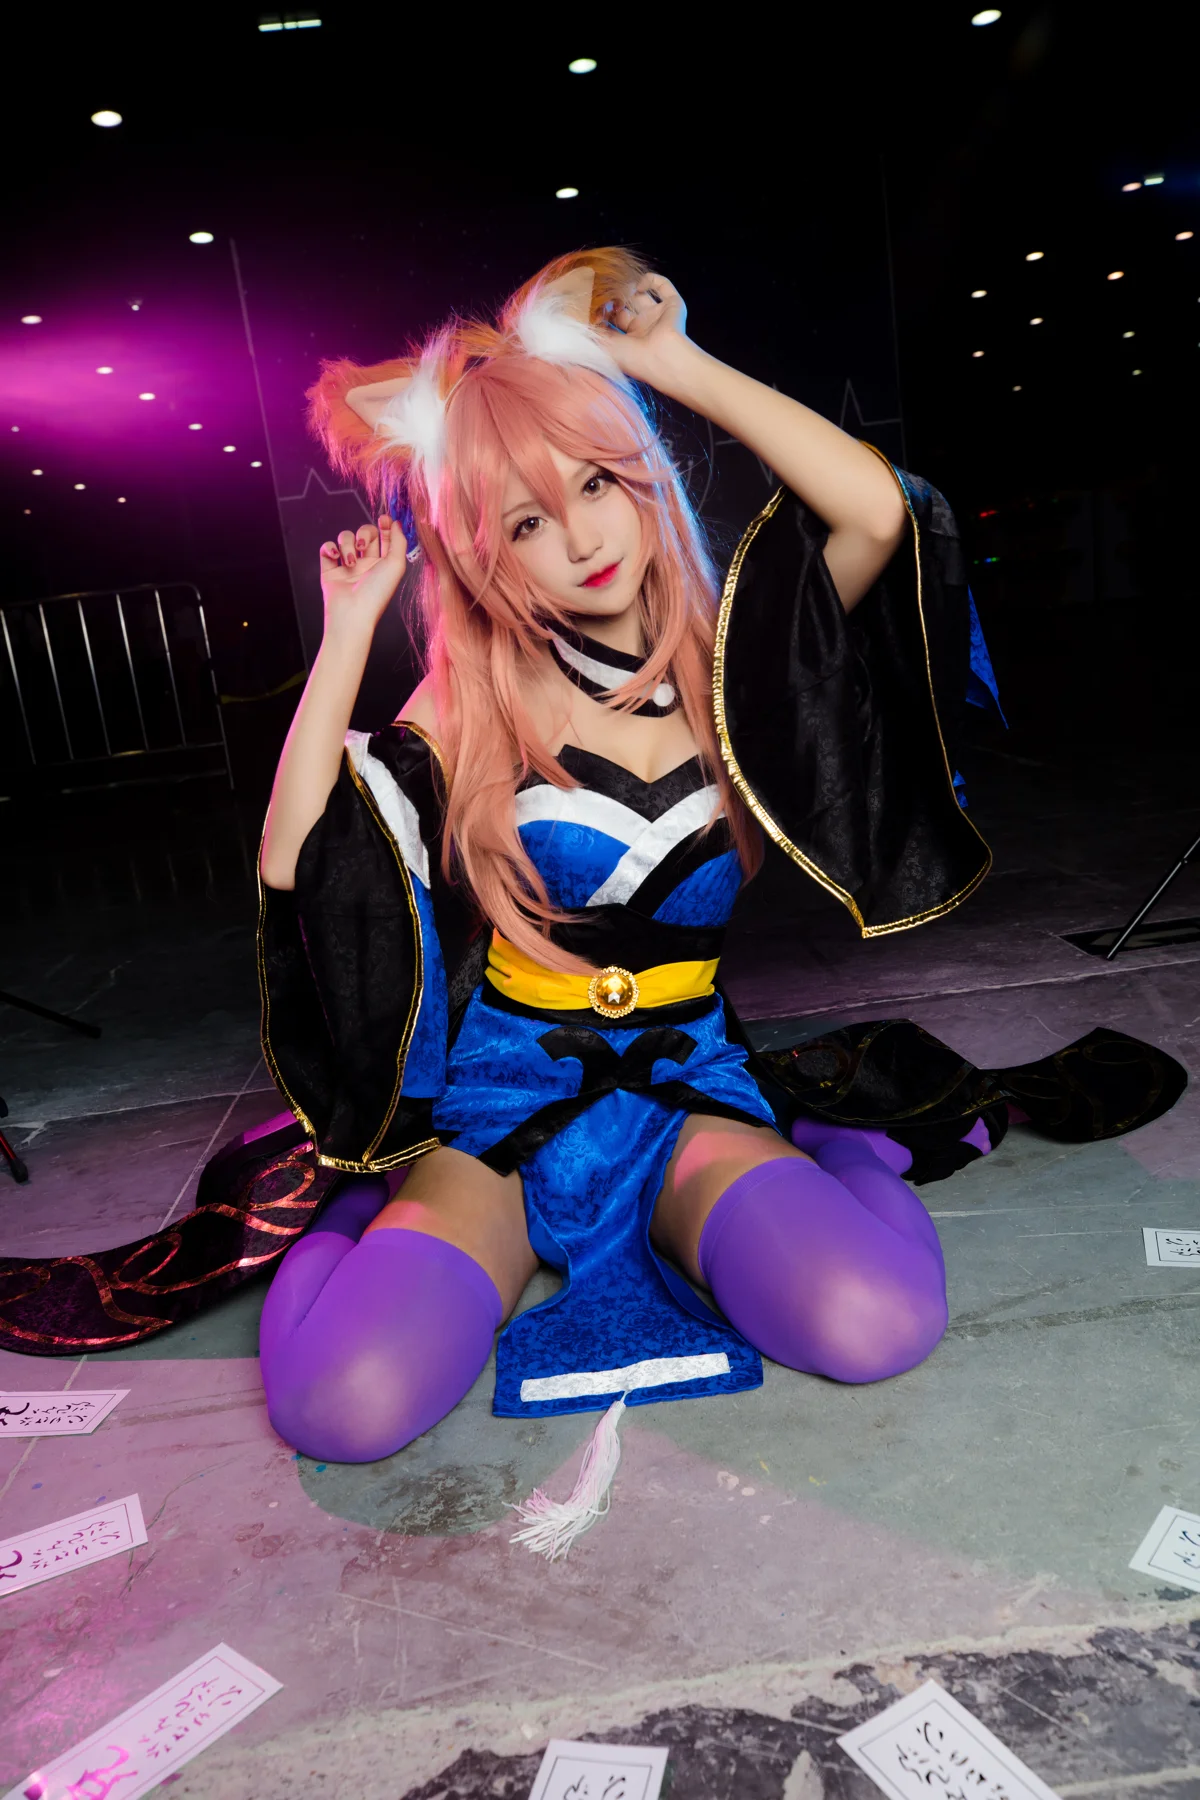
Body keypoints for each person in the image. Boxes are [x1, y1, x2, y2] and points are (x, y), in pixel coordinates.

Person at [249, 248, 992, 1463]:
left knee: (878, 1323)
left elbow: (878, 516)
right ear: (486, 554)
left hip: (686, 1081)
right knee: (341, 1409)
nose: (581, 538)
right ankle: (353, 1219)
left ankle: (834, 1152)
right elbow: (296, 859)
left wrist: (670, 362)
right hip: (503, 1099)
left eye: (596, 481)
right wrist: (346, 635)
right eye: (526, 521)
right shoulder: (477, 696)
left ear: (641, 473)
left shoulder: (746, 665)